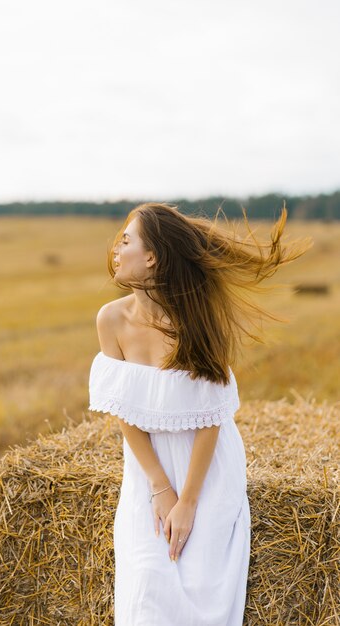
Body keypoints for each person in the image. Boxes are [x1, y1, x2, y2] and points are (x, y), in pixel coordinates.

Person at [88, 202, 313, 626]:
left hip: (205, 466)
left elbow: (211, 418)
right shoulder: (111, 320)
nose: (115, 249)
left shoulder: (196, 321)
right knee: (146, 589)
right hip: (147, 469)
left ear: (152, 256)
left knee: (203, 593)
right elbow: (124, 413)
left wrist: (189, 500)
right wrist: (159, 486)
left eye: (126, 240)